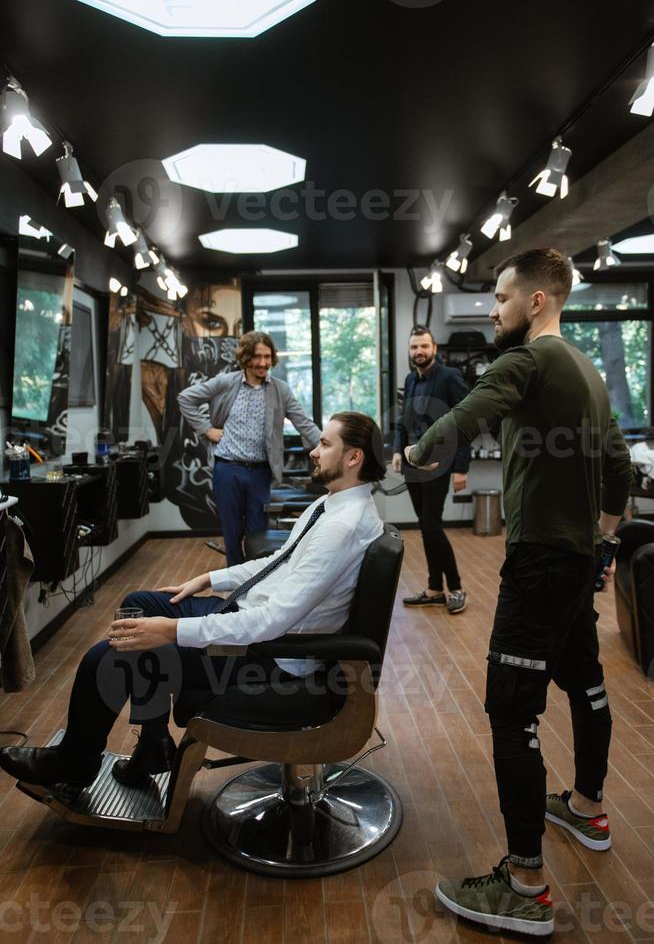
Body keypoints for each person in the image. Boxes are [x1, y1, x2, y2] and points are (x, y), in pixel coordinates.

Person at [405, 249, 632, 938]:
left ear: (536, 300)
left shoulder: (527, 361)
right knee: (585, 681)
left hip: (537, 564)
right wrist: (605, 537)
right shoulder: (588, 369)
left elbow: (459, 422)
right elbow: (617, 463)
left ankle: (526, 884)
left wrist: (410, 457)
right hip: (579, 555)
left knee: (513, 710)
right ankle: (588, 806)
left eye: (501, 298)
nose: (493, 310)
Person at [0, 413, 385, 789]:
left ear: (354, 457)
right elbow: (279, 560)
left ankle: (74, 763)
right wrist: (208, 578)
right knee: (140, 604)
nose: (314, 450)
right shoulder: (332, 505)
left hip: (272, 656)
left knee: (108, 656)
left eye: (325, 443)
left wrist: (172, 631)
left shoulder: (341, 527)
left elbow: (272, 622)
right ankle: (153, 740)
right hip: (256, 629)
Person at [178, 330, 320, 565]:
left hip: (260, 472)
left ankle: (255, 583)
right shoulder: (226, 383)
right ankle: (236, 588)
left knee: (257, 533)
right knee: (232, 533)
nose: (263, 363)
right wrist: (207, 429)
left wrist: (330, 446)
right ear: (245, 357)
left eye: (267, 357)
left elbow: (304, 423)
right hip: (227, 470)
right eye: (257, 357)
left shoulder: (280, 389)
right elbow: (186, 398)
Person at [392, 325, 470, 614]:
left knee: (432, 526)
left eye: (424, 346)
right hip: (414, 466)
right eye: (414, 347)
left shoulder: (450, 377)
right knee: (427, 528)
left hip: (440, 464)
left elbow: (466, 422)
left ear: (434, 348)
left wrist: (461, 467)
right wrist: (397, 450)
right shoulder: (411, 379)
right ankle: (435, 588)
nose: (419, 352)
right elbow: (404, 420)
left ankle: (457, 587)